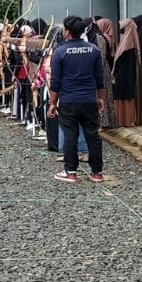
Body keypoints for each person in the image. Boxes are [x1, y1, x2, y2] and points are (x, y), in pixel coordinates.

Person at [47, 15, 106, 182]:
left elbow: (56, 81)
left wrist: (52, 103)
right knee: (93, 135)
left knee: (70, 135)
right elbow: (99, 78)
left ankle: (71, 171)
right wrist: (100, 98)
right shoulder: (94, 50)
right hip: (89, 100)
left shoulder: (60, 52)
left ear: (67, 32)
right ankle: (97, 172)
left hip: (68, 100)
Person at [112, 18, 141, 127]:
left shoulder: (128, 42)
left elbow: (119, 60)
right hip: (128, 74)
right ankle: (128, 120)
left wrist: (114, 71)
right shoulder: (130, 40)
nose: (122, 30)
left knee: (123, 94)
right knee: (127, 94)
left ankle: (123, 119)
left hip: (124, 74)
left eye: (123, 28)